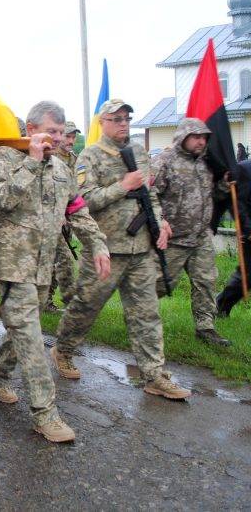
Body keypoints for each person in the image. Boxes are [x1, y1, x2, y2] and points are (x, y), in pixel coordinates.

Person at [0, 101, 110, 443]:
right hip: (15, 266)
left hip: (45, 268)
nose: (57, 138)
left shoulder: (62, 169)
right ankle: (45, 414)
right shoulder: (5, 159)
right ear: (30, 129)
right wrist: (33, 160)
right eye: (50, 131)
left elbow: (78, 211)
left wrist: (97, 244)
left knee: (25, 329)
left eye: (60, 131)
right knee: (30, 336)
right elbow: (5, 199)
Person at [52, 99, 191, 400]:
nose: (124, 123)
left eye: (127, 118)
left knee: (146, 314)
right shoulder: (90, 157)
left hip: (140, 249)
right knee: (85, 307)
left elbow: (149, 194)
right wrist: (122, 186)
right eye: (116, 119)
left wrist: (161, 222)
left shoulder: (139, 153)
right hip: (105, 250)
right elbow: (82, 202)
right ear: (102, 122)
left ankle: (154, 375)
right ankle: (63, 350)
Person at [152, 118, 231, 346]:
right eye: (196, 137)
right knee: (161, 283)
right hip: (174, 239)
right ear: (183, 137)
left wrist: (224, 186)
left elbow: (212, 197)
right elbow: (149, 196)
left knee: (206, 281)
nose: (201, 141)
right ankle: (140, 316)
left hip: (200, 237)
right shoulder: (164, 162)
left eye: (204, 137)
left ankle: (206, 327)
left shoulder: (206, 164)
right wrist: (160, 222)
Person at [44, 121, 82, 312]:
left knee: (57, 262)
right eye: (68, 136)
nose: (71, 140)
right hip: (49, 220)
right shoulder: (51, 157)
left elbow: (76, 190)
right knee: (61, 262)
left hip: (67, 218)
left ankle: (45, 302)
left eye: (73, 137)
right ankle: (70, 308)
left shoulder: (73, 159)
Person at [216, 156, 251, 316]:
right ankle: (222, 304)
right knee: (248, 274)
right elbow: (236, 202)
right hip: (249, 231)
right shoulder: (244, 169)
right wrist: (247, 228)